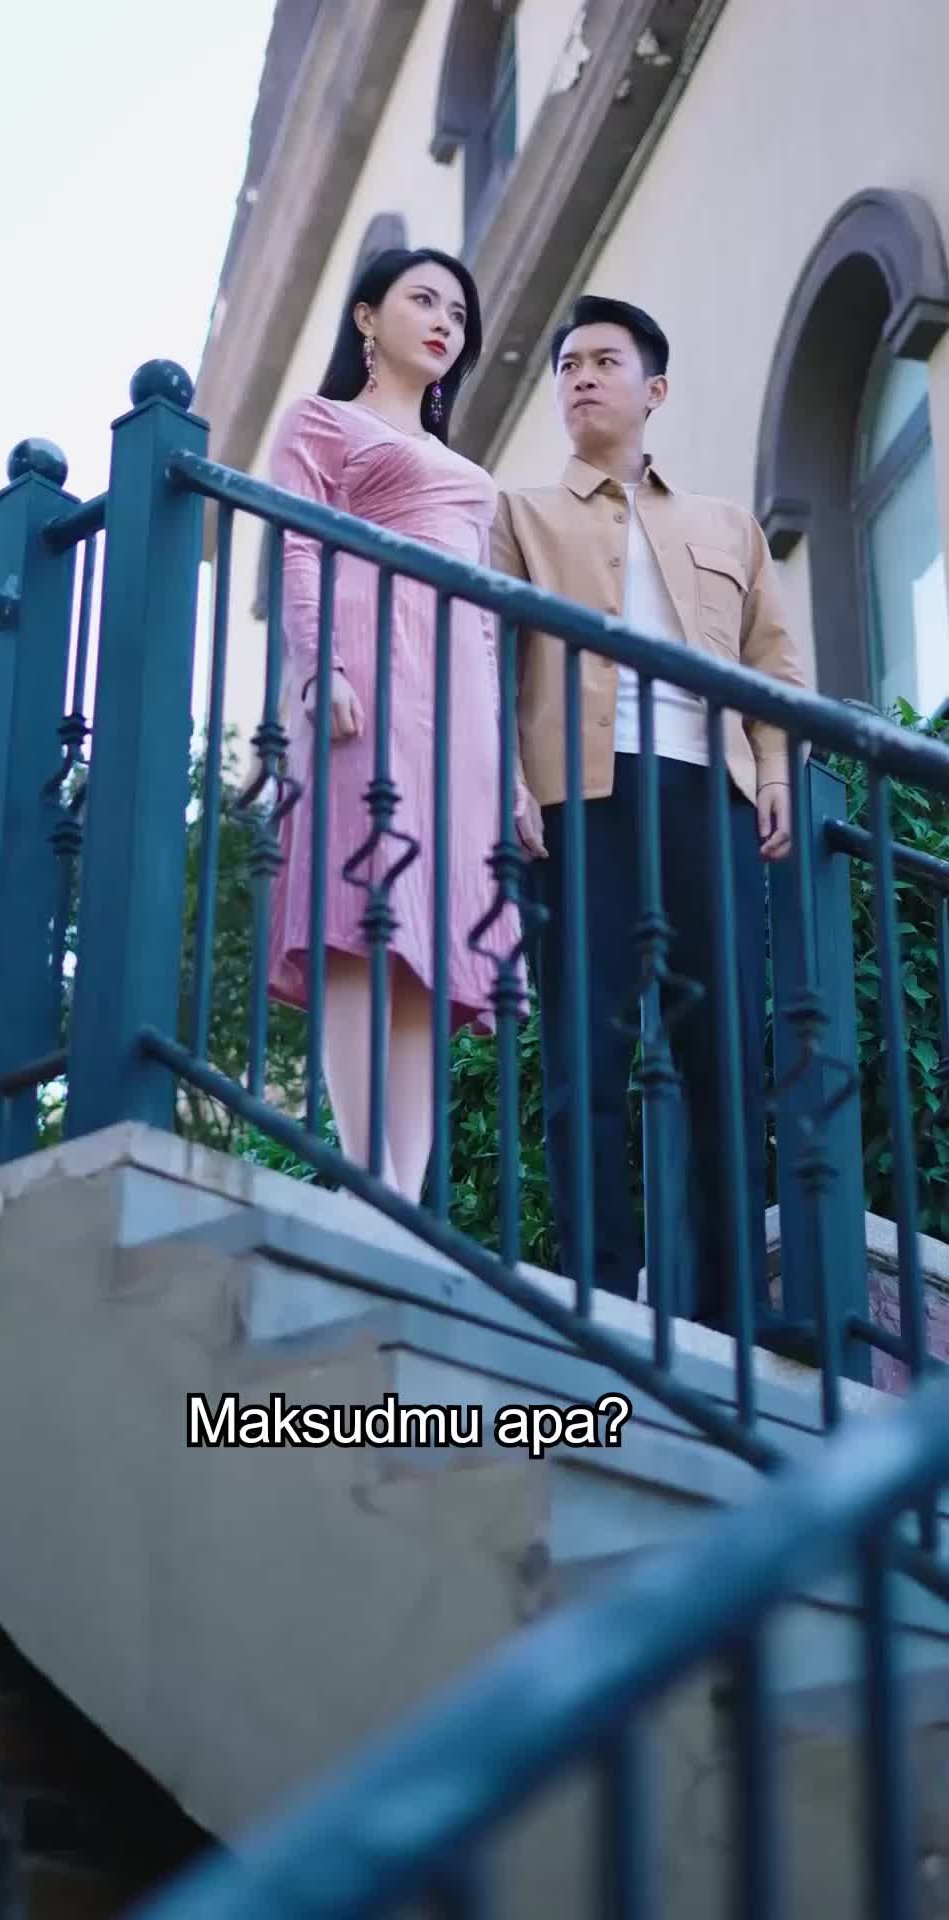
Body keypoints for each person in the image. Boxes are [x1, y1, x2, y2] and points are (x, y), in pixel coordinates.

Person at [490, 295, 810, 1330]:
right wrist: (504, 780)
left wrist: (772, 770)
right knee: (586, 1053)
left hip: (708, 797)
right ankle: (601, 1291)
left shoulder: (726, 526)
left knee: (725, 1056)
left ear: (654, 389)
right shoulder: (519, 516)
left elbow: (773, 665)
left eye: (605, 361)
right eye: (568, 365)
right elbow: (485, 662)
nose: (581, 376)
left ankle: (730, 1315)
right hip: (581, 801)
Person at [265, 247, 525, 1202]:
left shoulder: (467, 472)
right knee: (358, 918)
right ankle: (363, 1174)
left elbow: (487, 624)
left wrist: (510, 769)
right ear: (367, 318)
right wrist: (319, 664)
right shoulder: (322, 420)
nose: (445, 322)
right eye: (424, 300)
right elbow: (297, 546)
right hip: (369, 672)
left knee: (427, 942)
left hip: (458, 708)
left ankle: (401, 1200)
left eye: (459, 312)